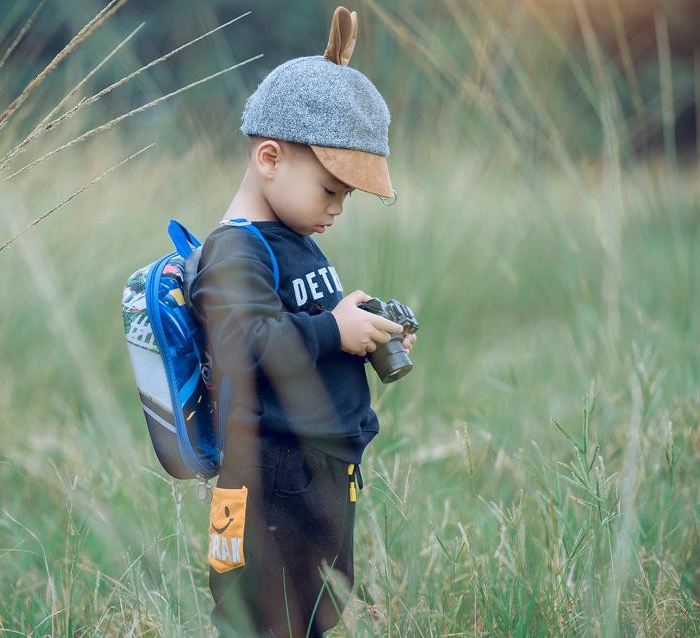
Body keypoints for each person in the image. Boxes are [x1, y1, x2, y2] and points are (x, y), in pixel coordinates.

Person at [188, 6, 416, 636]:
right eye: (331, 189)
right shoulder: (234, 250)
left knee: (317, 613)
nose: (339, 208)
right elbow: (248, 343)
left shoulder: (292, 235)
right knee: (267, 619)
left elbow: (302, 327)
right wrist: (331, 330)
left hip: (317, 474)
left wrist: (362, 326)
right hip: (268, 479)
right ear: (269, 157)